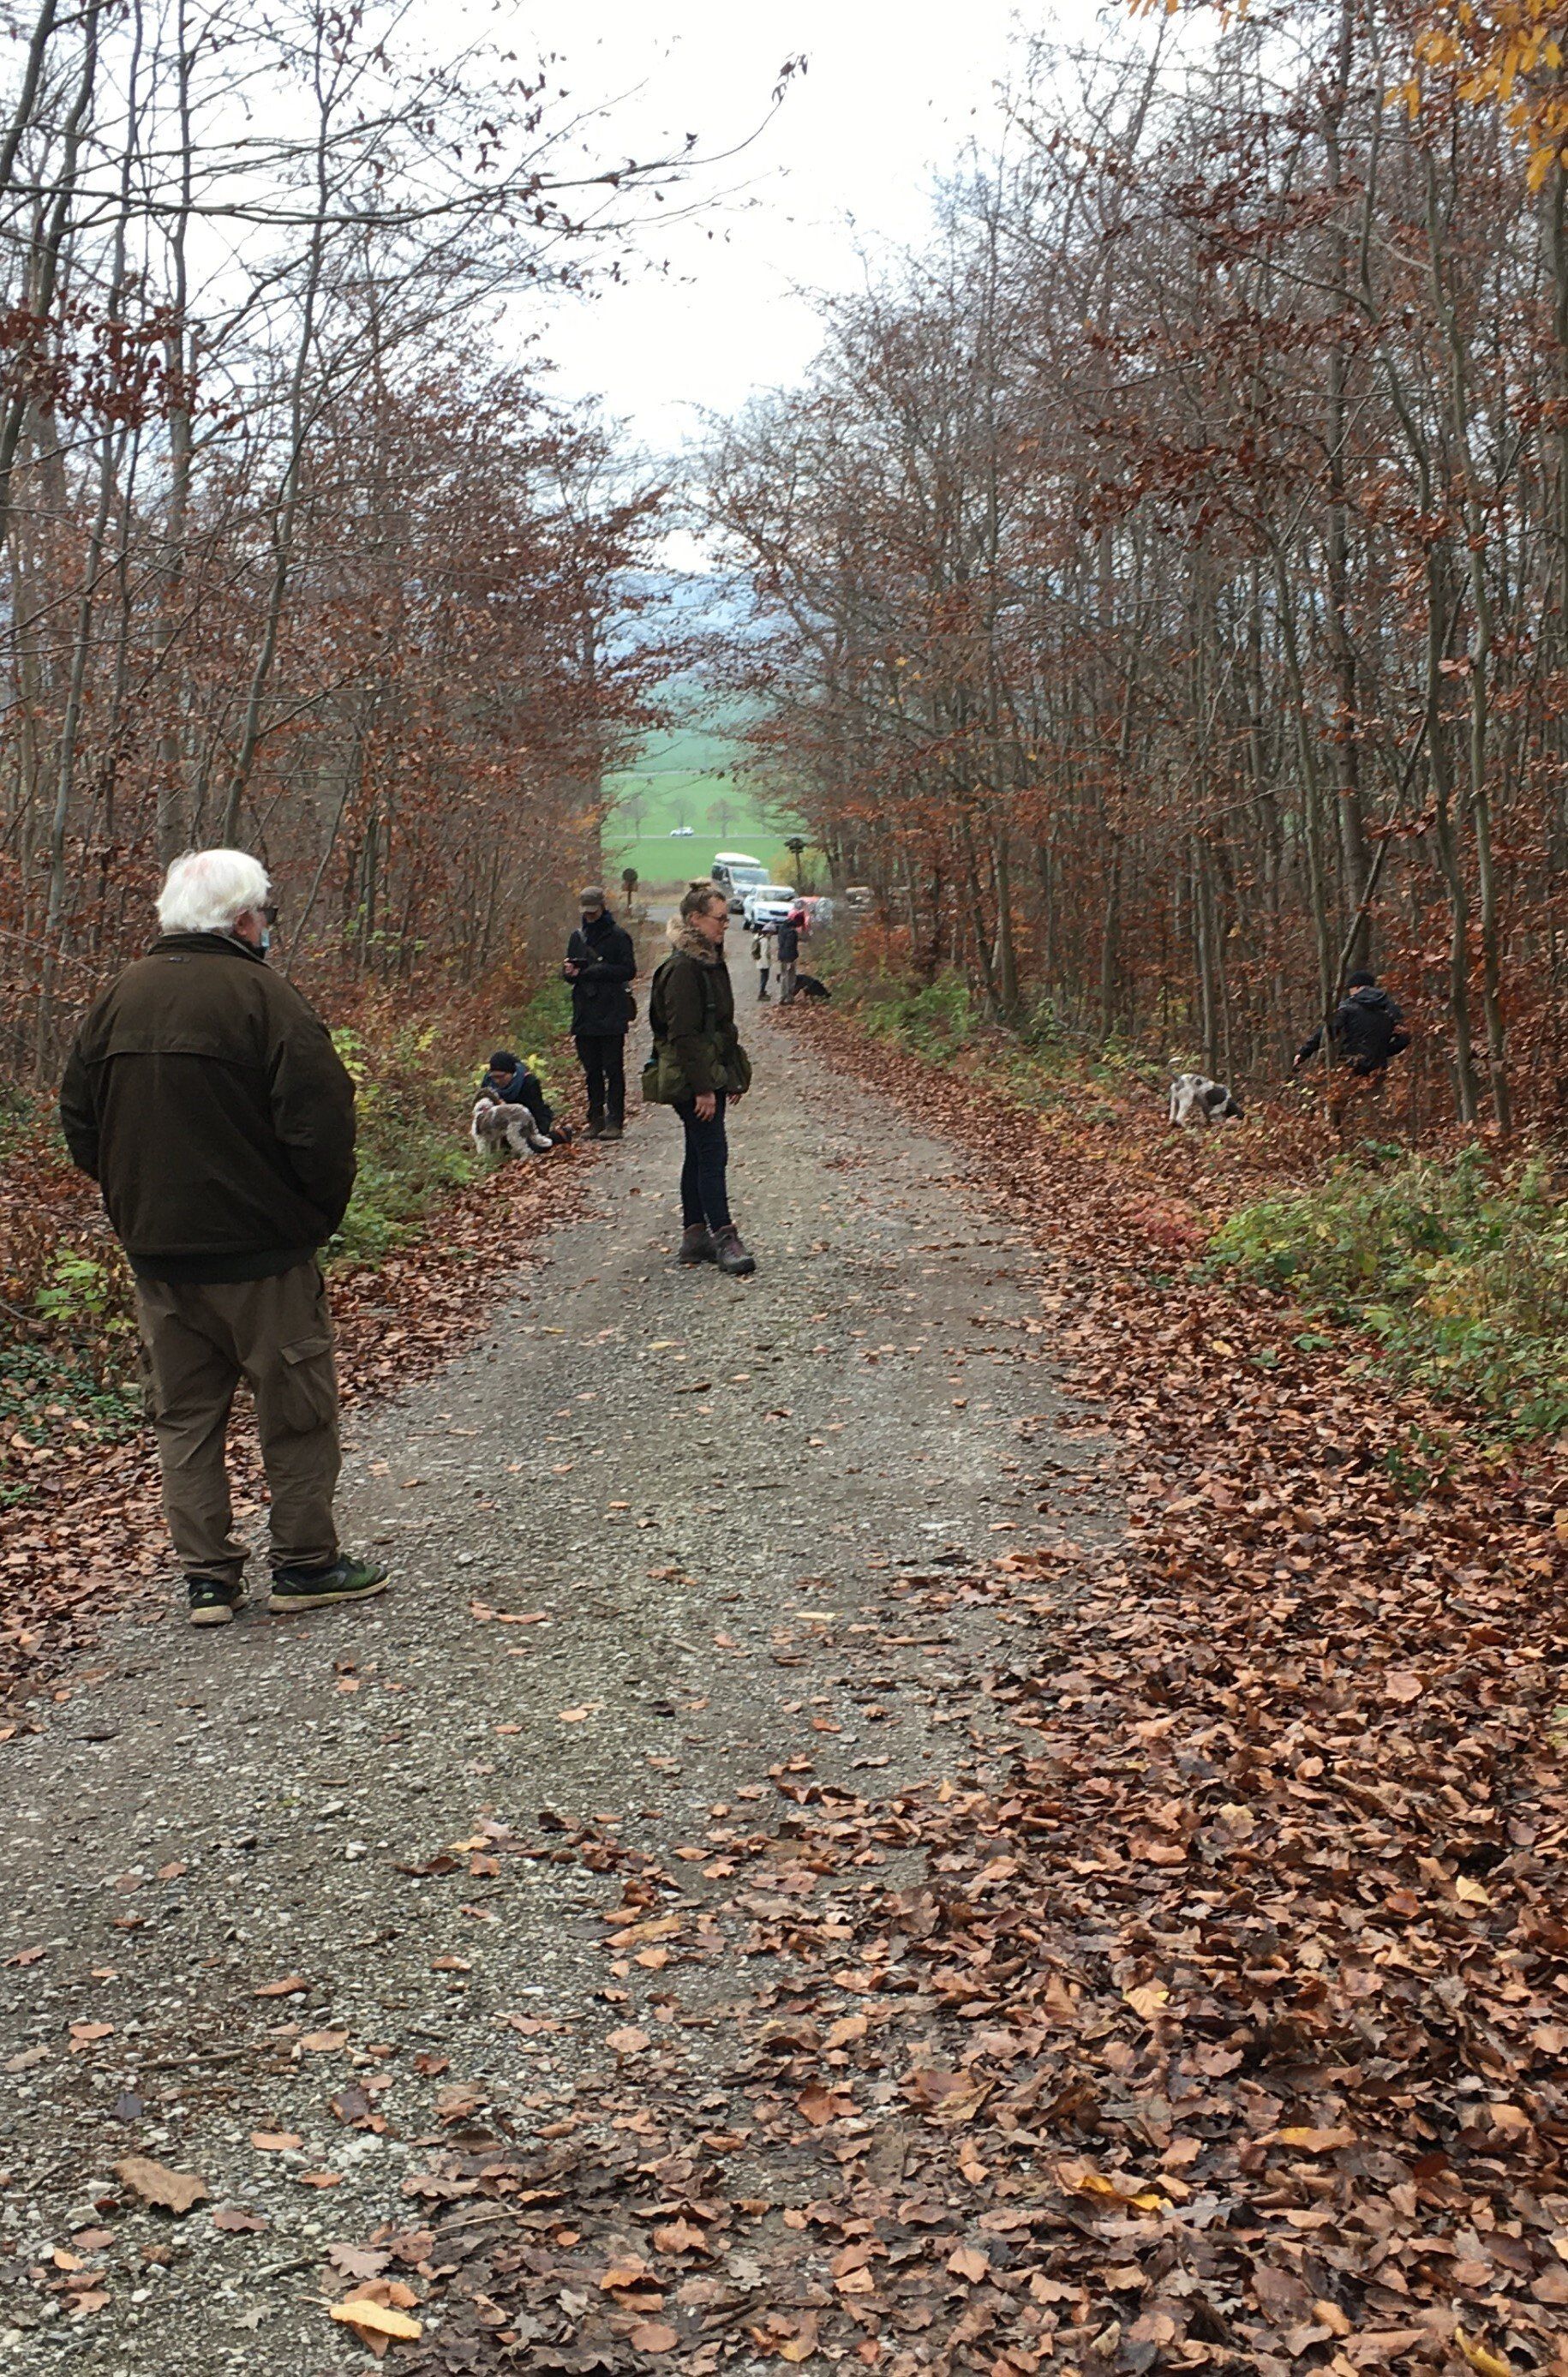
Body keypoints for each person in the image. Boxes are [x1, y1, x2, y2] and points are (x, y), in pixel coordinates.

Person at [59, 848, 387, 1627]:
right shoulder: (266, 998)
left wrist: (134, 1203)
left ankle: (208, 1579)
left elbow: (80, 1120)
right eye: (265, 912)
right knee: (296, 1411)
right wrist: (311, 1221)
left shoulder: (116, 999)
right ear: (244, 919)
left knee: (185, 1418)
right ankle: (305, 1564)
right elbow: (322, 1125)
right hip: (263, 1257)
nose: (267, 925)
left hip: (160, 1258)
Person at [643, 881, 757, 1276]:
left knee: (698, 1151)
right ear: (695, 919)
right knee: (712, 1153)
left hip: (706, 1074)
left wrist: (730, 1076)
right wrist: (705, 1089)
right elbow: (684, 1035)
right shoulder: (683, 969)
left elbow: (721, 1026)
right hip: (691, 1079)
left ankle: (694, 1236)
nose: (726, 925)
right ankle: (724, 1237)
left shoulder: (709, 960)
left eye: (726, 919)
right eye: (719, 919)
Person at [563, 884, 636, 1141]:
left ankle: (615, 1121)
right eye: (586, 911)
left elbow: (629, 970)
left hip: (611, 1011)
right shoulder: (577, 937)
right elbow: (571, 974)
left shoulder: (619, 936)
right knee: (591, 1071)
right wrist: (570, 973)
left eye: (593, 911)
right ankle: (595, 1119)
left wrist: (596, 971)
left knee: (613, 1069)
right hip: (584, 1011)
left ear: (603, 907)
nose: (590, 915)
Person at [1294, 970, 1410, 1123]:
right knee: (1373, 1110)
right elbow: (1404, 1038)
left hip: (1350, 1066)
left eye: (1350, 989)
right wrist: (1382, 1050)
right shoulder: (1390, 1007)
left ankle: (1344, 1135)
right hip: (1377, 1067)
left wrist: (1303, 1053)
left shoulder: (1349, 1006)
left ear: (1357, 987)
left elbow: (1327, 1032)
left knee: (1346, 1112)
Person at [480, 1051, 570, 1145]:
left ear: (511, 1073)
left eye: (501, 1076)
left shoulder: (528, 1082)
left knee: (531, 1144)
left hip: (529, 1120)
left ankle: (558, 1136)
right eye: (494, 1077)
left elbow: (536, 1112)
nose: (497, 1081)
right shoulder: (488, 1083)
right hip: (501, 1126)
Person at [774, 904, 803, 1006]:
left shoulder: (782, 928)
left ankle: (783, 997)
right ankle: (788, 997)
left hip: (782, 956)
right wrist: (792, 958)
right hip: (789, 958)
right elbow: (790, 946)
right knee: (790, 978)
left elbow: (781, 943)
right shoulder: (792, 932)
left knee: (783, 977)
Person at [751, 919, 774, 1002]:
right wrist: (767, 964)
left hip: (759, 961)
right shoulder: (764, 940)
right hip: (764, 963)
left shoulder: (758, 937)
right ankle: (761, 993)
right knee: (764, 978)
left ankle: (762, 992)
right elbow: (764, 953)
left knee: (763, 977)